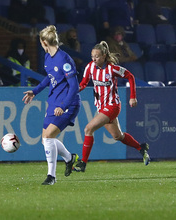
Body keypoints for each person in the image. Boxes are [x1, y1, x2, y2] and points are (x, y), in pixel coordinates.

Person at [73, 41, 150, 172]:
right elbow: (84, 83)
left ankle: (83, 163)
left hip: (112, 105)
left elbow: (130, 76)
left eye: (97, 56)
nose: (94, 59)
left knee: (88, 129)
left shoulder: (112, 69)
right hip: (101, 107)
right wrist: (72, 92)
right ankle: (141, 148)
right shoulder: (90, 67)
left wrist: (132, 96)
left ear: (104, 56)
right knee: (118, 136)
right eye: (92, 56)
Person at [22, 25, 81, 185]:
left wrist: (63, 106)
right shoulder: (48, 57)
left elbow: (74, 87)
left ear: (44, 42)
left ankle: (51, 177)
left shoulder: (64, 59)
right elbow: (49, 78)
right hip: (54, 101)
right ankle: (70, 158)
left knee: (48, 137)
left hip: (68, 103)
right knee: (45, 139)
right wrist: (35, 91)